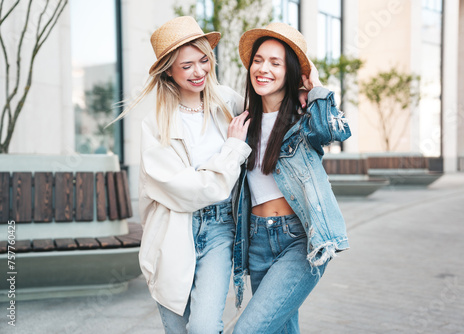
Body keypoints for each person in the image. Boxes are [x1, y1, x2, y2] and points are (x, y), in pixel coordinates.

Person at [113, 16, 251, 333]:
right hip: (172, 231)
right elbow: (190, 189)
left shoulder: (228, 102)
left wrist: (307, 87)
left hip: (219, 229)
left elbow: (274, 113)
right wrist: (232, 150)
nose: (199, 71)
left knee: (203, 328)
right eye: (186, 65)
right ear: (169, 71)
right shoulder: (156, 125)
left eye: (203, 60)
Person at [232, 22, 352, 333]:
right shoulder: (242, 125)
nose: (263, 68)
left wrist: (314, 86)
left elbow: (337, 130)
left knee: (248, 329)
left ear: (291, 72)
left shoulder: (304, 121)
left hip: (299, 240)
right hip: (257, 240)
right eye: (258, 60)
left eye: (275, 62)